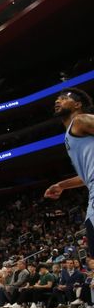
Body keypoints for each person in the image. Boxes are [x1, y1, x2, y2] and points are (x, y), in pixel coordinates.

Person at [44, 88, 94, 258]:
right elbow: (87, 175)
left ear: (77, 104)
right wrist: (62, 185)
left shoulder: (80, 120)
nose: (58, 101)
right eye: (57, 99)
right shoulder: (72, 133)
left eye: (64, 98)